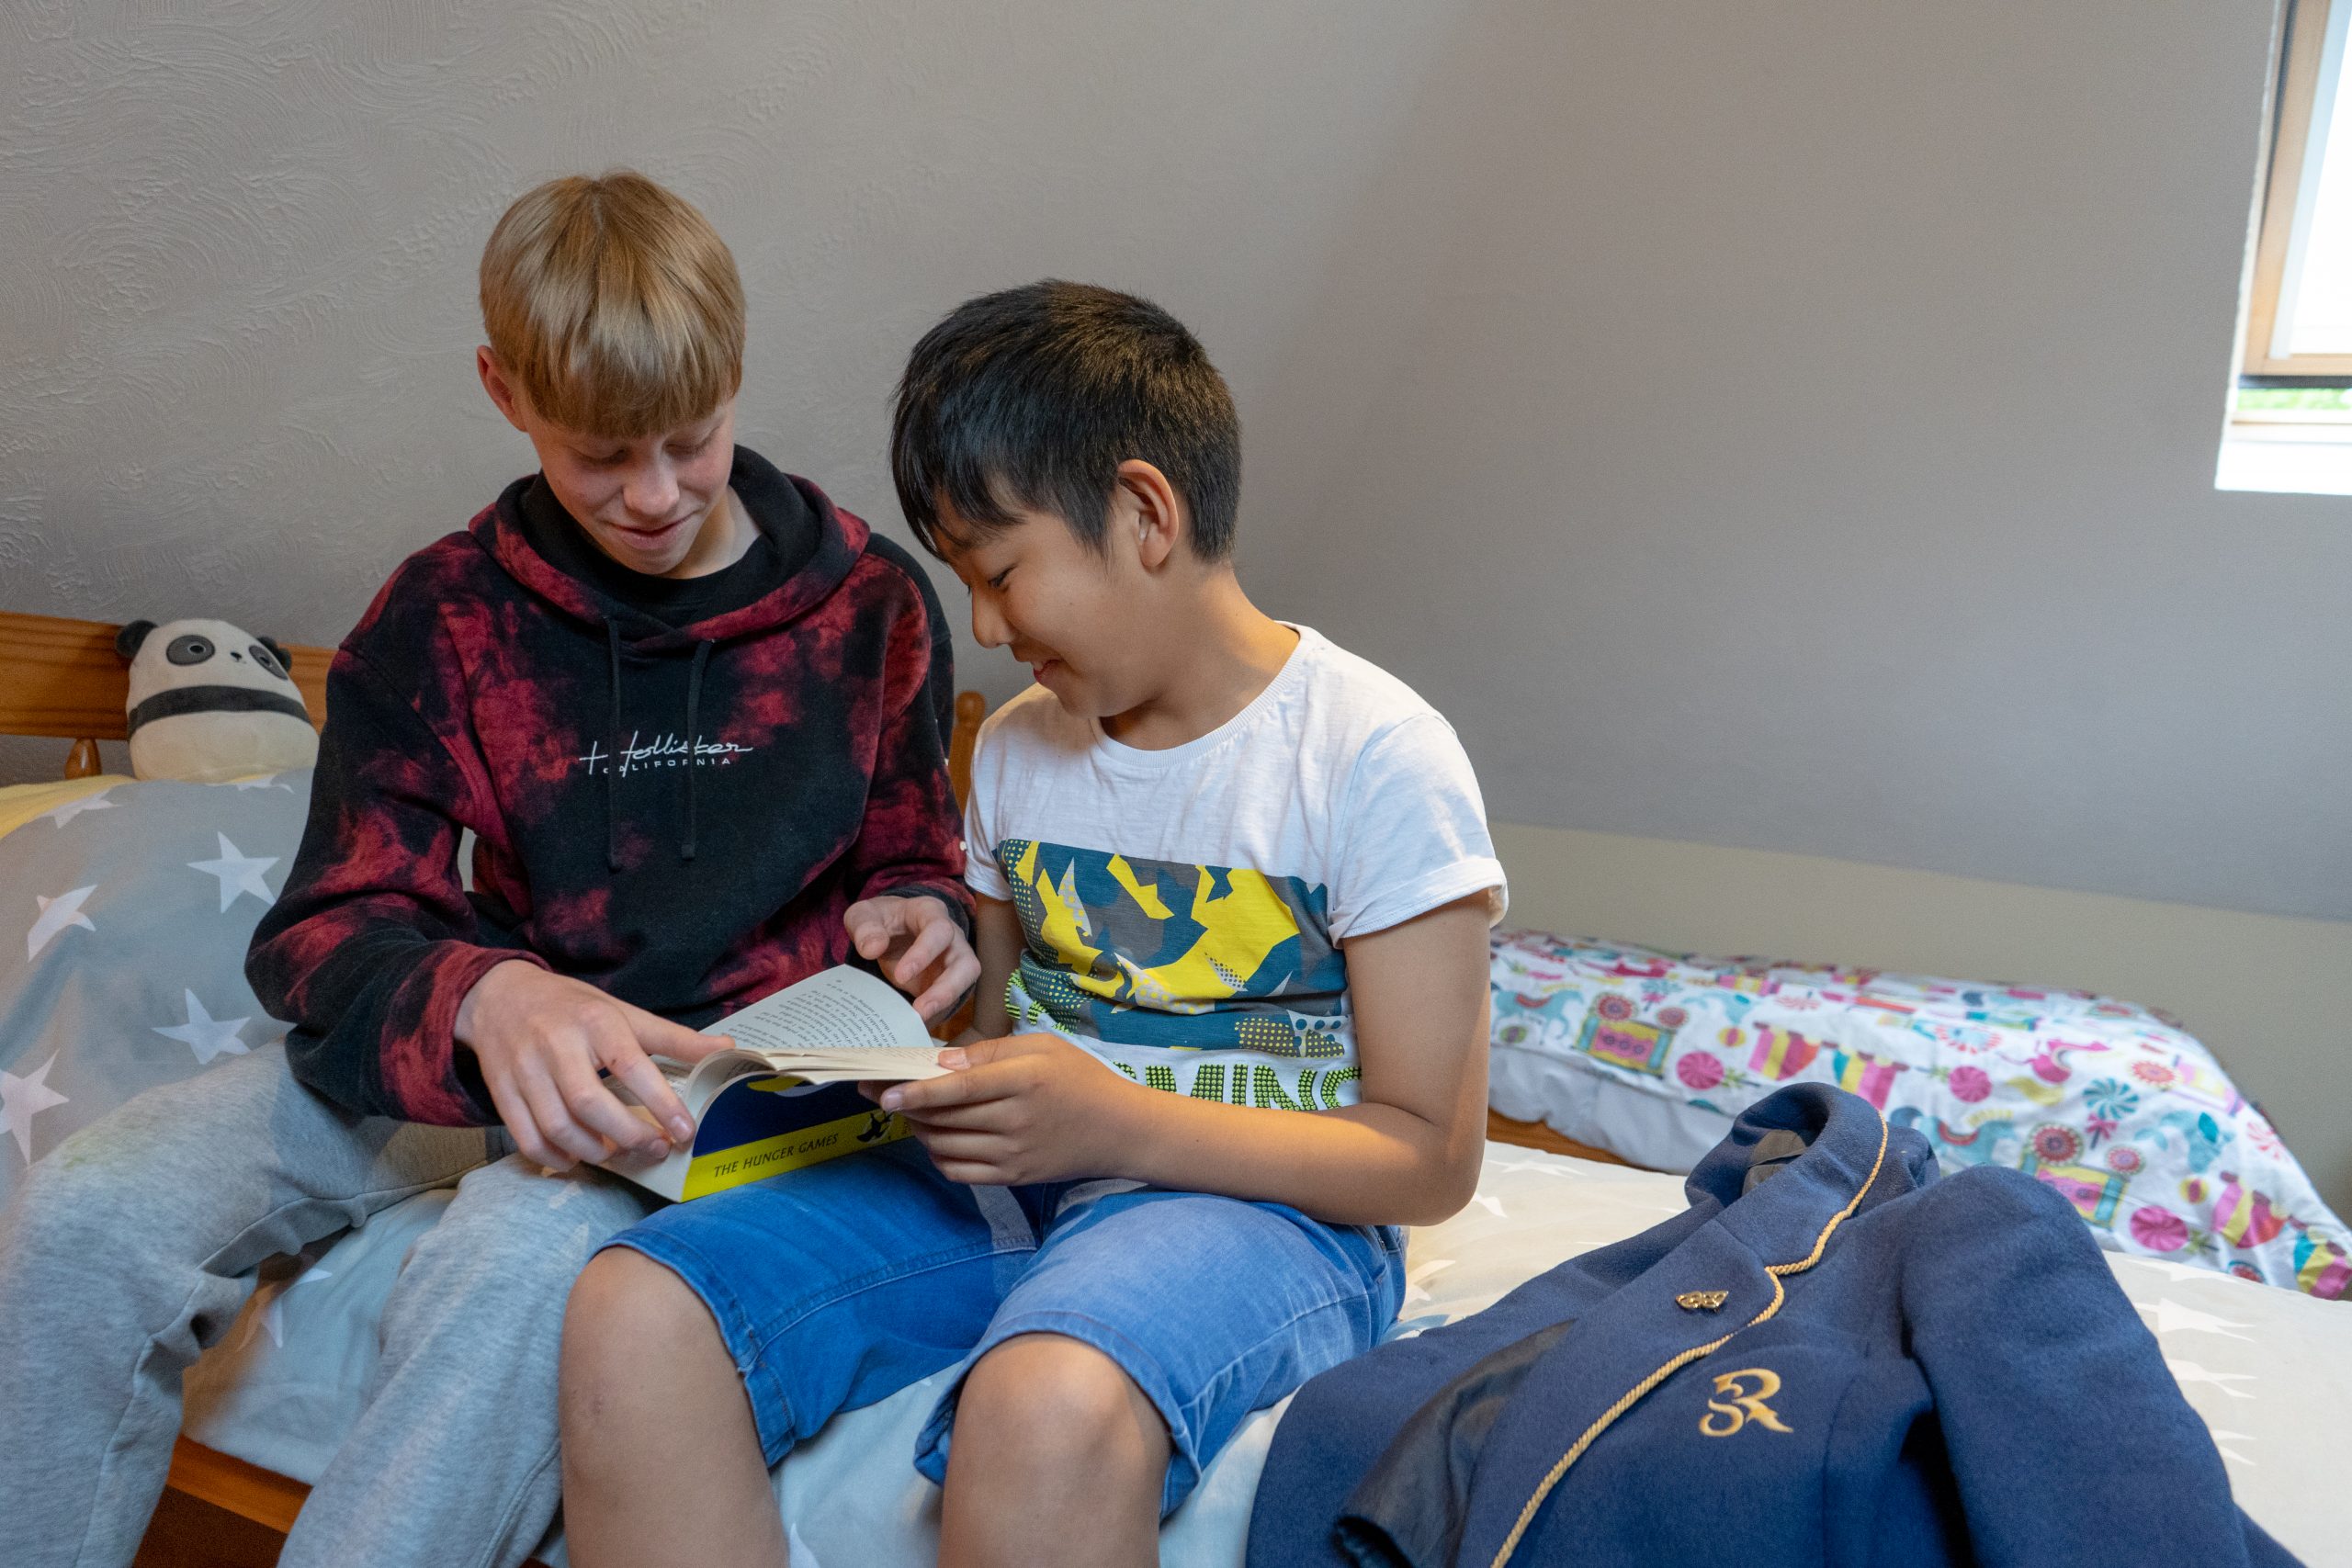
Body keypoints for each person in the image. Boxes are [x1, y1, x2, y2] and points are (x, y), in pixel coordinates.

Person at [0, 170, 977, 1568]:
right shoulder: (442, 617)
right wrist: (482, 994)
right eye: (601, 455)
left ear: (738, 380)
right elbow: (333, 924)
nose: (654, 494)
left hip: (724, 1088)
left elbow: (916, 853)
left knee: (513, 1258)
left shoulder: (870, 606)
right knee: (94, 1212)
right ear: (503, 392)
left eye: (692, 443)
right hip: (480, 1062)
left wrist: (926, 916)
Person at [558, 280, 1507, 1568]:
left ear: (1145, 512)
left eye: (1001, 573)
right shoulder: (1013, 755)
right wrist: (913, 1018)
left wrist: (1112, 1123)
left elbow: (1426, 1159)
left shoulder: (1373, 757)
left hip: (1270, 1214)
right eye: (965, 583)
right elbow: (1001, 1039)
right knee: (636, 1303)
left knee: (1043, 1398)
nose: (988, 630)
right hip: (1010, 1199)